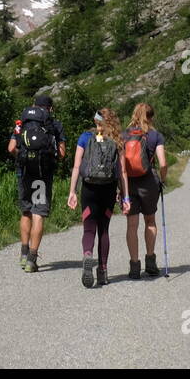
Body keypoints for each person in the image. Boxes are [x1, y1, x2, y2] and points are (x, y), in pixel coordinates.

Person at [66, 109, 129, 288]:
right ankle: (102, 271)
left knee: (89, 228)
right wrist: (125, 197)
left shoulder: (85, 137)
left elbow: (76, 166)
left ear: (96, 120)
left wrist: (72, 192)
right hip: (108, 189)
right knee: (104, 230)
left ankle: (87, 254)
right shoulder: (117, 140)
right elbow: (122, 171)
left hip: (89, 188)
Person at [9, 94, 66, 273]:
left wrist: (24, 157)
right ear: (50, 108)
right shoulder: (54, 125)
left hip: (24, 171)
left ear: (34, 106)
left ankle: (23, 254)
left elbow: (11, 148)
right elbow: (62, 153)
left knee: (26, 211)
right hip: (43, 173)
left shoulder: (21, 124)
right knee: (38, 213)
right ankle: (32, 260)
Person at [122, 102, 168, 278]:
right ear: (151, 116)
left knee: (131, 225)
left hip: (129, 183)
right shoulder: (155, 135)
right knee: (150, 221)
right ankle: (150, 261)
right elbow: (163, 163)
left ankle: (134, 266)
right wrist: (162, 180)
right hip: (149, 183)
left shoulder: (124, 135)